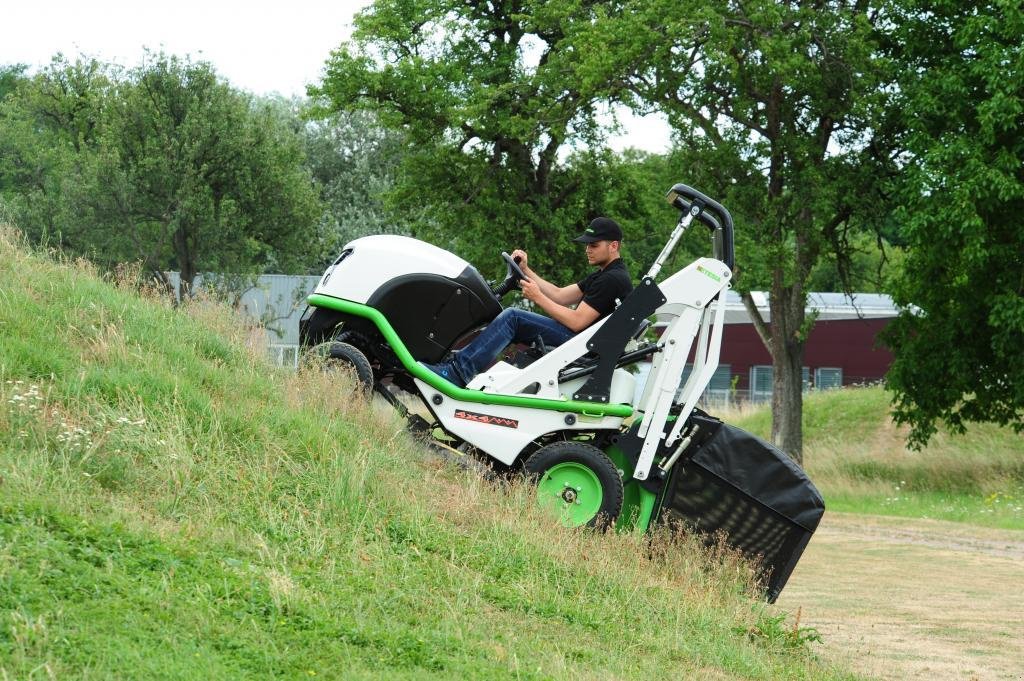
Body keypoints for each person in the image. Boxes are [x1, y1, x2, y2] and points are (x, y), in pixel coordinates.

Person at [423, 217, 633, 388]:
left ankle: (457, 373)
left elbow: (577, 321)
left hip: (585, 346)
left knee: (513, 317)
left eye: (594, 245)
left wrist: (537, 297)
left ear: (613, 246)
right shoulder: (604, 275)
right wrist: (525, 271)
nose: (588, 249)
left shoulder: (612, 279)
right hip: (584, 341)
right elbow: (560, 295)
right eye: (587, 244)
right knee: (513, 317)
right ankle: (455, 365)